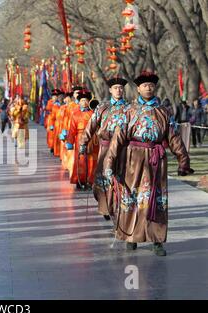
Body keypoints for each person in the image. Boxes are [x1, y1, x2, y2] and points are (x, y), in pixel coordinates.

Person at [103, 71, 193, 256]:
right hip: (133, 160)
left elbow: (174, 138)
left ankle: (157, 240)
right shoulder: (129, 111)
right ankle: (131, 236)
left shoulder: (164, 112)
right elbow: (118, 139)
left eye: (151, 85)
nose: (148, 87)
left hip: (155, 160)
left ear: (155, 87)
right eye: (144, 85)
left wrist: (183, 160)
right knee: (132, 196)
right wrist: (109, 163)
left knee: (156, 200)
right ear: (138, 88)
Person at [80, 77, 131, 220]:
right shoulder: (102, 107)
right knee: (102, 180)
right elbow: (91, 126)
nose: (118, 90)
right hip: (105, 147)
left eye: (121, 88)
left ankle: (121, 207)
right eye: (115, 88)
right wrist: (83, 143)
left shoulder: (130, 108)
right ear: (110, 90)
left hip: (123, 150)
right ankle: (105, 207)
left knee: (121, 179)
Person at [66, 90, 98, 189]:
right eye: (82, 100)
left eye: (86, 100)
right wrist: (70, 142)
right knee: (80, 160)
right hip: (79, 139)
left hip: (92, 139)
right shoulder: (75, 114)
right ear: (79, 102)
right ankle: (79, 180)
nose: (84, 102)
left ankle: (91, 180)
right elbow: (72, 129)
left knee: (92, 161)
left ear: (89, 101)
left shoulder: (93, 113)